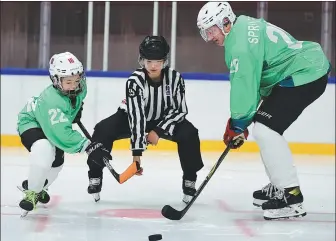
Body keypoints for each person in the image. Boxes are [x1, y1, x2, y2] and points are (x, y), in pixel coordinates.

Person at [197, 2, 331, 220]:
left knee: (266, 129)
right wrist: (240, 122)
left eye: (211, 30)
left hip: (306, 73)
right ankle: (281, 185)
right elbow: (259, 79)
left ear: (225, 23)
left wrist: (238, 123)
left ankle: (291, 196)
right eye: (205, 32)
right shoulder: (245, 26)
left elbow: (245, 83)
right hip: (304, 68)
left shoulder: (239, 45)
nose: (210, 37)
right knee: (264, 126)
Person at [86, 35, 204, 204]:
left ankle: (189, 180)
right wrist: (136, 155)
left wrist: (158, 130)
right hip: (130, 116)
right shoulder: (135, 81)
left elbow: (180, 110)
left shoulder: (175, 78)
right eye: (149, 61)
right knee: (102, 130)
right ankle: (95, 175)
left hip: (164, 118)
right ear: (142, 61)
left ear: (165, 61)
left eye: (158, 61)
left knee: (189, 134)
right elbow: (136, 116)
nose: (154, 66)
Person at [17, 52, 112, 213]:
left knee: (57, 163)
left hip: (53, 123)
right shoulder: (51, 100)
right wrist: (89, 147)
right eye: (68, 82)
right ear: (55, 80)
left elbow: (76, 100)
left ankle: (39, 187)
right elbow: (62, 134)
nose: (74, 85)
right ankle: (32, 193)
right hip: (33, 122)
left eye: (77, 80)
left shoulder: (81, 87)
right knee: (44, 149)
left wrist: (76, 111)